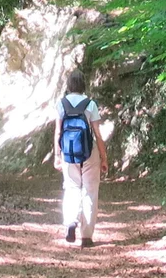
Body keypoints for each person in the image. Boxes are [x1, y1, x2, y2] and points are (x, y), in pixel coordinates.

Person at [54, 69, 107, 248]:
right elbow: (98, 134)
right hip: (89, 152)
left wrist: (57, 156)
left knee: (71, 188)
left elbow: (58, 132)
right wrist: (104, 157)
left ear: (68, 85)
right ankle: (86, 237)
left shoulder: (61, 104)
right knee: (90, 192)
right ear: (83, 84)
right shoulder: (90, 104)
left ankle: (70, 221)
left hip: (68, 153)